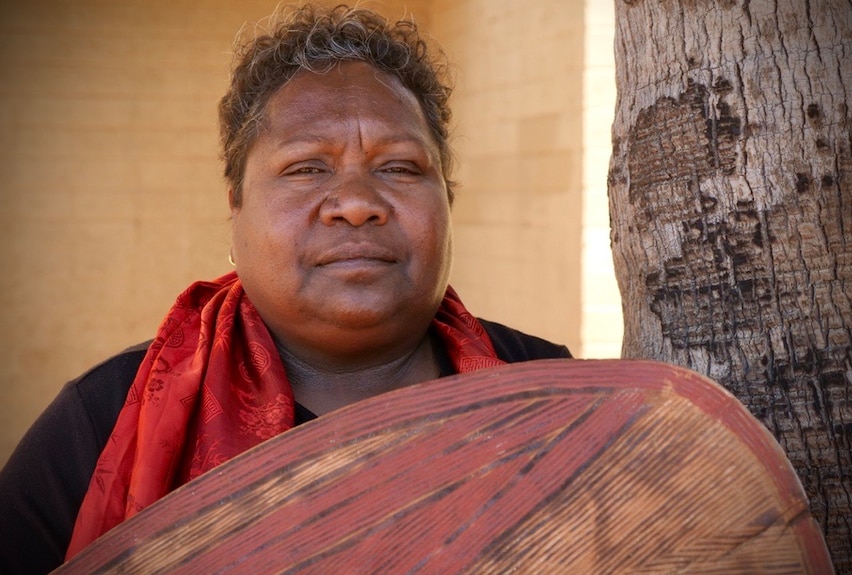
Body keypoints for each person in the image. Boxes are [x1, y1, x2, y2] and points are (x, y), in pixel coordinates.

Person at [0, 4, 571, 573]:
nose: (356, 204)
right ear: (236, 206)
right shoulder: (101, 425)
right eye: (306, 168)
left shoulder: (560, 397)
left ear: (448, 199)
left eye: (398, 167)